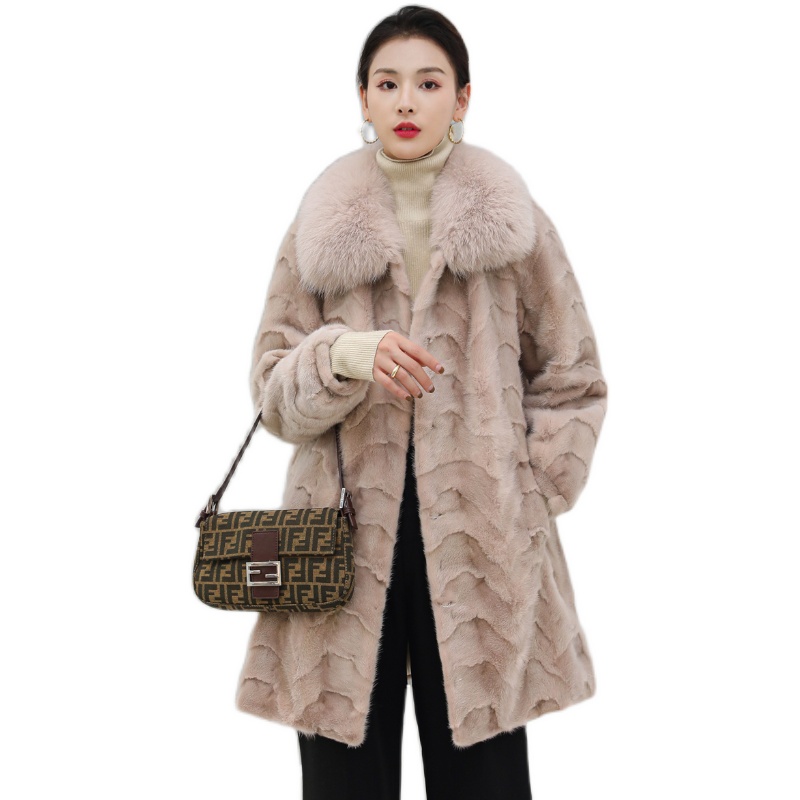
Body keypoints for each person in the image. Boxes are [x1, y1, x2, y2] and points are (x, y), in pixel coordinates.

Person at [235, 6, 608, 799]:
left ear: (463, 98)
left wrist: (530, 494)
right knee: (344, 782)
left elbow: (573, 379)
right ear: (362, 98)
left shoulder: (514, 224)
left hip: (482, 546)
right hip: (340, 542)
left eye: (429, 83)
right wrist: (342, 355)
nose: (407, 101)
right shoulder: (320, 224)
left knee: (485, 781)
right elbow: (272, 394)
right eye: (388, 83)